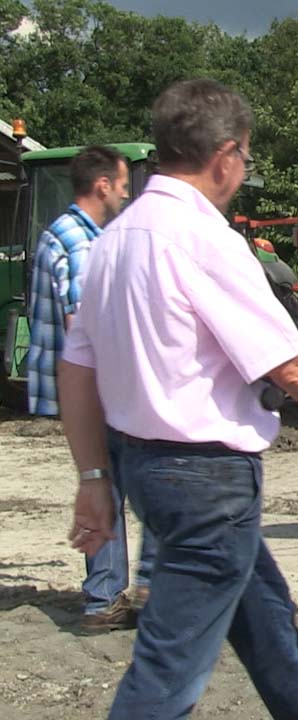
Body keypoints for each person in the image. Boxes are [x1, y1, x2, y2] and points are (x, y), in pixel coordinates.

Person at [60, 78, 298, 719]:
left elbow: (75, 371)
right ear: (227, 155)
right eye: (246, 158)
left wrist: (95, 476)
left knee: (273, 638)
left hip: (147, 470)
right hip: (206, 481)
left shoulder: (112, 244)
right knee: (165, 676)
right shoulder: (203, 240)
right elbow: (296, 367)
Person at [26, 145, 155, 631]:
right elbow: (85, 322)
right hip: (100, 388)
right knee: (143, 478)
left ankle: (107, 598)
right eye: (123, 185)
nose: (126, 194)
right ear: (102, 185)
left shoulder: (69, 233)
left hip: (88, 388)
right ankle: (137, 587)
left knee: (105, 483)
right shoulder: (81, 242)